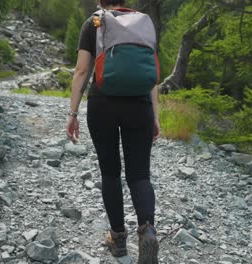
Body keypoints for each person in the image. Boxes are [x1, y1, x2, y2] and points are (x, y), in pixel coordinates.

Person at [65, 0, 160, 263]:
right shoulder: (143, 22)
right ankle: (148, 230)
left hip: (103, 103)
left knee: (110, 172)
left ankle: (118, 240)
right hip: (140, 105)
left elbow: (82, 70)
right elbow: (151, 74)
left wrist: (72, 114)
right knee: (140, 175)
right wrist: (155, 115)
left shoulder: (94, 21)